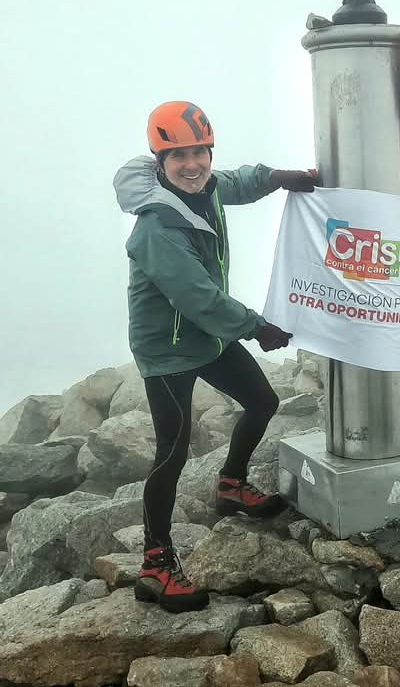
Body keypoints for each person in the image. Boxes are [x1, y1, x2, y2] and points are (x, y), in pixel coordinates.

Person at [113, 100, 316, 613]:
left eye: (199, 152)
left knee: (262, 401)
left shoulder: (205, 185)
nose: (192, 164)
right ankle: (156, 565)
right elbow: (198, 297)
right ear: (159, 160)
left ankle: (230, 486)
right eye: (177, 155)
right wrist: (256, 326)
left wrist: (280, 177)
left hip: (205, 338)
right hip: (168, 351)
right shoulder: (155, 227)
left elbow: (238, 181)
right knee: (171, 452)